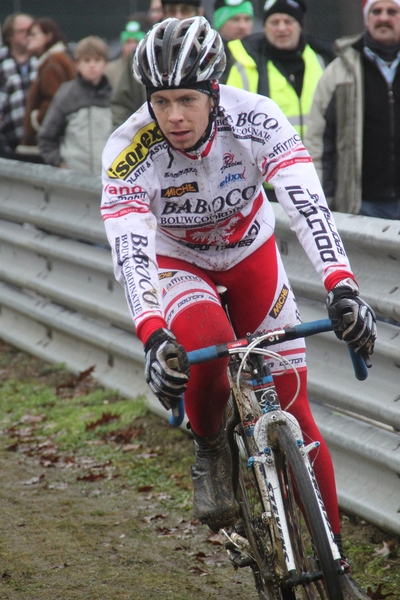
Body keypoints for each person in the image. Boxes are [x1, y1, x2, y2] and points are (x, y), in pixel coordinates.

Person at [100, 18, 376, 578]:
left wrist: (341, 285)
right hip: (178, 262)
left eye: (186, 100)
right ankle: (209, 450)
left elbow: (306, 205)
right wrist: (154, 335)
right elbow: (130, 251)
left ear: (214, 92)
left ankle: (336, 563)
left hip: (251, 252)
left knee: (294, 404)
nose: (174, 116)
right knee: (206, 350)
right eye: (160, 101)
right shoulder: (129, 149)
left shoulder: (255, 117)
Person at [305, 0, 400, 220]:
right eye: (376, 11)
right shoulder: (339, 72)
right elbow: (318, 141)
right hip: (359, 206)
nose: (383, 17)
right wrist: (321, 197)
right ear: (366, 18)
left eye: (392, 11)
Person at [225, 0, 334, 141]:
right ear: (264, 27)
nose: (281, 28)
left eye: (288, 22)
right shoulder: (245, 66)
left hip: (316, 160)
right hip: (268, 160)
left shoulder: (322, 61)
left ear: (300, 26)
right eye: (274, 22)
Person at [110, 0, 204, 129]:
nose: (179, 16)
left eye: (185, 10)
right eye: (171, 11)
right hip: (153, 142)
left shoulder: (212, 52)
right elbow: (122, 104)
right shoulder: (143, 53)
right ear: (163, 13)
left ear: (199, 13)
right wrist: (129, 139)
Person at [38, 36, 112, 175]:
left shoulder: (114, 97)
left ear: (105, 64)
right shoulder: (66, 94)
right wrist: (60, 164)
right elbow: (47, 137)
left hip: (108, 179)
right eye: (86, 60)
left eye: (97, 60)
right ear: (77, 64)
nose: (92, 66)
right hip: (75, 178)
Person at [16, 17, 75, 161]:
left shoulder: (52, 62)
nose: (28, 39)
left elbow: (54, 100)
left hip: (42, 147)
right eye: (27, 35)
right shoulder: (52, 60)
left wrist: (37, 120)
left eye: (34, 34)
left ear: (49, 36)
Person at [0, 13, 37, 158]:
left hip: (37, 143)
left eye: (31, 31)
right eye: (22, 31)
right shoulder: (2, 62)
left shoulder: (41, 60)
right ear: (10, 36)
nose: (28, 36)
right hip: (8, 141)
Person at [212, 0, 254, 85]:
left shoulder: (261, 53)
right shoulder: (210, 56)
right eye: (235, 19)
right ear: (220, 23)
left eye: (247, 19)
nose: (242, 26)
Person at [105, 21, 146, 89]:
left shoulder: (150, 68)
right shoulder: (109, 70)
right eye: (128, 42)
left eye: (136, 41)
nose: (132, 46)